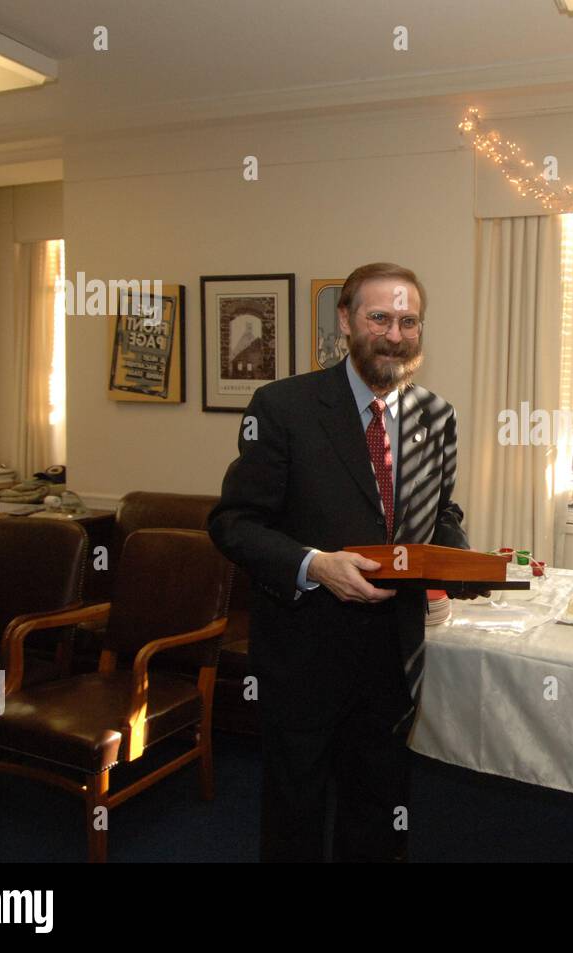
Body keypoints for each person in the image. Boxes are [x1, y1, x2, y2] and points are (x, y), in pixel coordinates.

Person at [209, 261, 474, 862]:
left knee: (380, 809)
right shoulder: (282, 407)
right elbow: (233, 524)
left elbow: (443, 512)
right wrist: (314, 564)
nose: (395, 334)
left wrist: (462, 562)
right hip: (304, 654)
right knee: (295, 812)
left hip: (393, 657)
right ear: (346, 320)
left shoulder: (437, 416)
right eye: (380, 317)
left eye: (410, 321)